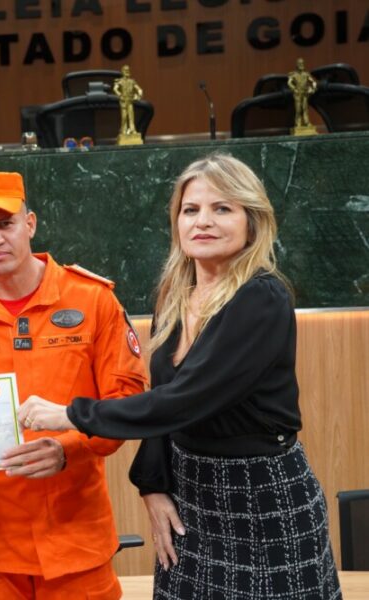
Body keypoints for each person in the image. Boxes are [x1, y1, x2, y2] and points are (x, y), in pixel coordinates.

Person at [19, 154, 342, 599]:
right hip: (191, 493)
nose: (203, 221)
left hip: (262, 494)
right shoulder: (176, 293)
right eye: (191, 210)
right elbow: (165, 397)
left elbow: (185, 400)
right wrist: (154, 486)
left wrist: (72, 415)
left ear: (253, 220)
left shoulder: (261, 297)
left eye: (222, 208)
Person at [0, 171, 148, 599]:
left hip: (77, 539)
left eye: (5, 224)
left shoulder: (93, 300)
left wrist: (70, 448)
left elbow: (129, 401)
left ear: (30, 223)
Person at [113, 64, 143, 136]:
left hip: (130, 100)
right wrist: (120, 95)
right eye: (125, 70)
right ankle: (123, 131)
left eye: (128, 70)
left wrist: (138, 95)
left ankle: (132, 130)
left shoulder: (132, 81)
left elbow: (139, 89)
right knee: (124, 117)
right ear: (122, 71)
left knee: (131, 116)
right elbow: (115, 89)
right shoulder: (120, 81)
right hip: (123, 101)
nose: (127, 71)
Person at [288, 57, 318, 129]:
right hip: (297, 94)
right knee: (298, 109)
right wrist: (294, 89)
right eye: (300, 63)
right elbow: (289, 83)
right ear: (297, 65)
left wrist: (313, 88)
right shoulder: (293, 74)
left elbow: (313, 82)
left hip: (305, 93)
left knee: (305, 109)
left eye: (302, 63)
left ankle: (306, 123)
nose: (301, 65)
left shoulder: (306, 74)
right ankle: (298, 123)